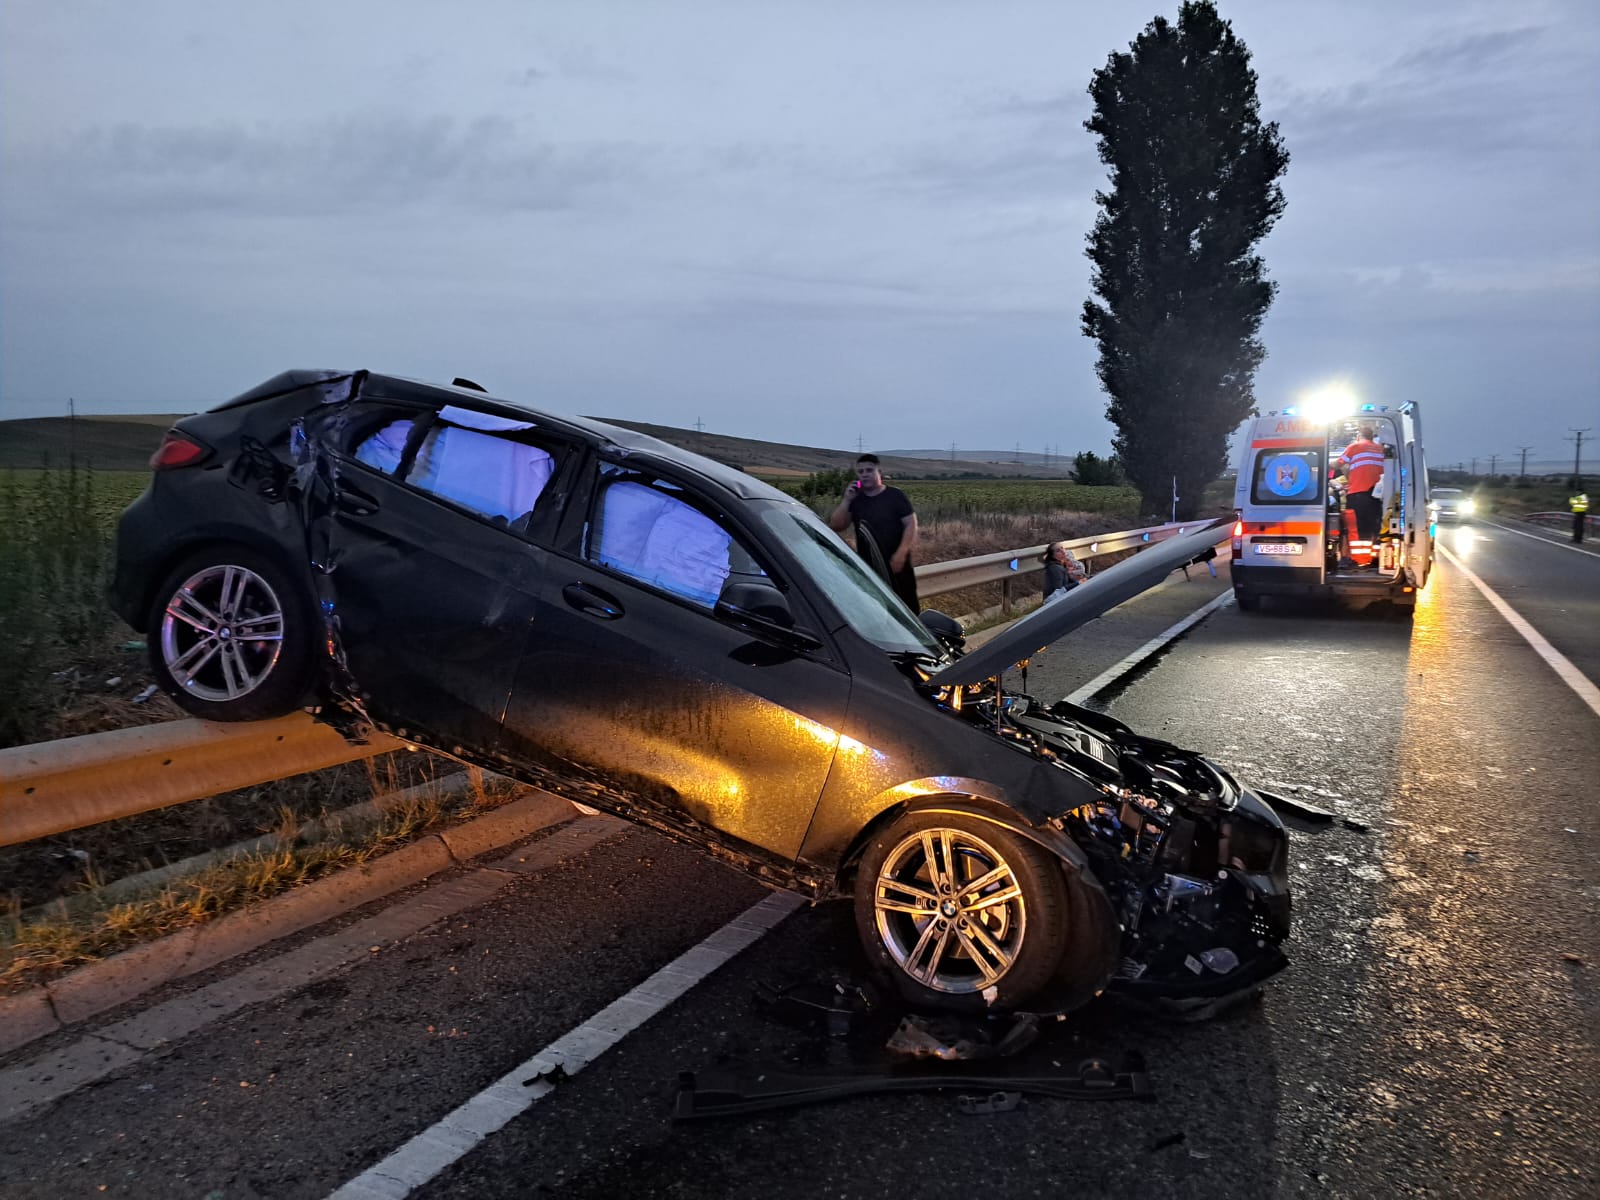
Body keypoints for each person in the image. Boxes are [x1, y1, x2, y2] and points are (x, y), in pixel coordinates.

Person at [828, 453, 920, 609]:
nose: (865, 474)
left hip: (898, 568)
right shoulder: (856, 500)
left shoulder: (895, 495)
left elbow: (911, 525)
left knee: (907, 610)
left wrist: (901, 554)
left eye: (869, 470)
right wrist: (847, 500)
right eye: (861, 471)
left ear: (879, 472)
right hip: (870, 571)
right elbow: (837, 526)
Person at [1332, 423, 1385, 567]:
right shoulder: (1380, 449)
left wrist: (1319, 464)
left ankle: (1356, 560)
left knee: (1355, 527)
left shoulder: (1355, 446)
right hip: (1377, 495)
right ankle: (1374, 559)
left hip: (1358, 493)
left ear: (1358, 436)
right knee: (1374, 527)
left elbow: (1337, 464)